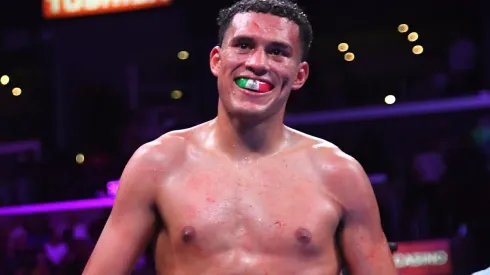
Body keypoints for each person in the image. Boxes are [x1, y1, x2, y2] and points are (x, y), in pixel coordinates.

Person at [83, 0, 397, 274]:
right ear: (216, 60)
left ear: (299, 75)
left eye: (277, 52)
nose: (258, 64)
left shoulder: (339, 175)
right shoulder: (158, 164)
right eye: (244, 45)